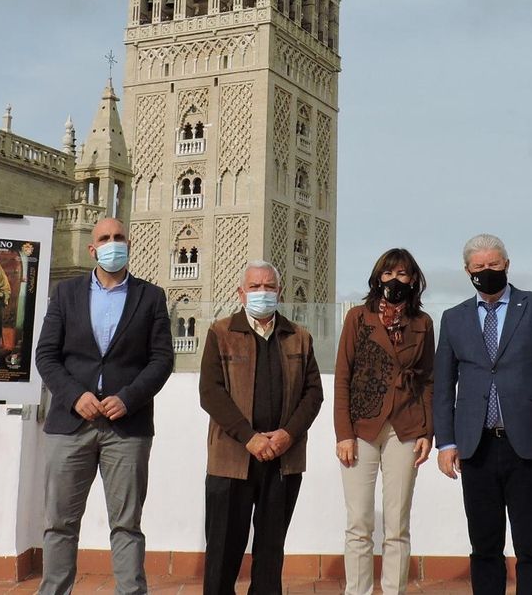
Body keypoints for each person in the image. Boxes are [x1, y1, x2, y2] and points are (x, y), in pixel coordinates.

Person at [34, 218, 173, 595]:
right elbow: (46, 355)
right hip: (70, 424)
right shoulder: (66, 294)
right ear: (92, 249)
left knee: (126, 524)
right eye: (105, 239)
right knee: (60, 523)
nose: (114, 244)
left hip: (126, 428)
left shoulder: (151, 297)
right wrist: (74, 395)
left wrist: (128, 398)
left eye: (119, 237)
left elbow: (161, 361)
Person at [434, 234, 532, 595]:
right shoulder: (454, 319)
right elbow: (443, 385)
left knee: (531, 544)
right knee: (484, 547)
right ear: (467, 271)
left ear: (507, 264)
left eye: (494, 265)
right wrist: (446, 442)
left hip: (530, 446)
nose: (487, 271)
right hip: (476, 447)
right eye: (479, 267)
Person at [199, 260, 324, 595]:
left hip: (283, 460)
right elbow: (211, 393)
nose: (262, 293)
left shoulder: (299, 337)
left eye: (269, 287)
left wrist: (287, 435)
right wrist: (249, 437)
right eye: (255, 287)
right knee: (224, 550)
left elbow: (313, 394)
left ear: (279, 292)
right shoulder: (221, 333)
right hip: (232, 460)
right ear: (241, 293)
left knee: (271, 551)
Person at [334, 248, 435, 595]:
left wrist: (427, 431)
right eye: (388, 274)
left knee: (397, 524)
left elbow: (427, 380)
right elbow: (343, 377)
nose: (395, 280)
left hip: (405, 428)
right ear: (378, 278)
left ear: (413, 280)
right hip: (362, 427)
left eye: (403, 274)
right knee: (359, 522)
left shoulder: (423, 323)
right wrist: (343, 434)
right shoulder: (358, 319)